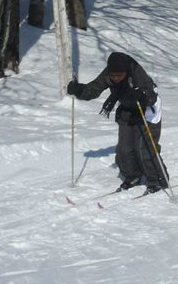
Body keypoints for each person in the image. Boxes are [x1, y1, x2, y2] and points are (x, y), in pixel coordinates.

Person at [67, 52, 168, 193]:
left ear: (126, 72)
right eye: (113, 75)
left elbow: (150, 95)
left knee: (143, 147)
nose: (115, 79)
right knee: (124, 148)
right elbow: (94, 88)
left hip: (146, 109)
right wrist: (79, 90)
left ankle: (158, 179)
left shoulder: (137, 73)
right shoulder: (109, 73)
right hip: (127, 106)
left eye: (119, 76)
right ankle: (133, 175)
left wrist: (142, 96)